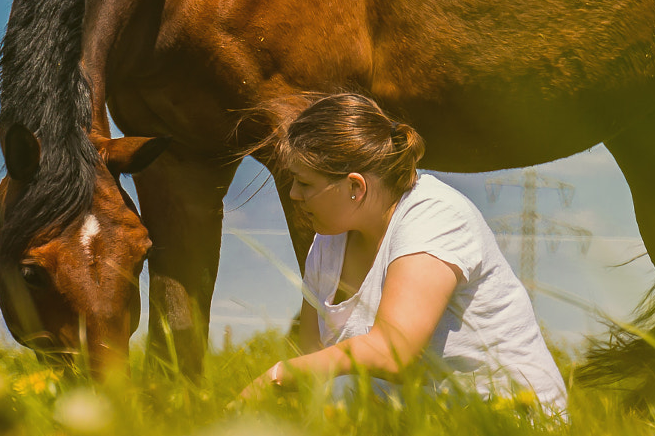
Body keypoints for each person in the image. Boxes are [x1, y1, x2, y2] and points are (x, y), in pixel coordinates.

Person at [240, 93, 568, 415]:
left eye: (304, 183)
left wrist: (280, 375)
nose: (294, 195)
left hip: (506, 422)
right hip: (407, 429)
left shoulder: (435, 215)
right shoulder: (327, 243)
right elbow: (312, 361)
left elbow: (393, 350)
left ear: (355, 187)